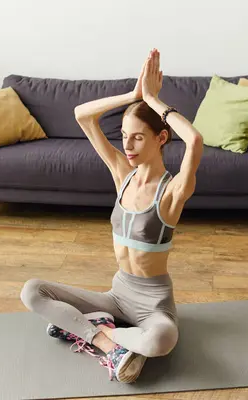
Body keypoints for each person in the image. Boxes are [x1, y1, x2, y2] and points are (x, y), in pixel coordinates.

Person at [20, 48, 204, 383]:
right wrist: (133, 95)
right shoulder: (123, 173)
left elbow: (194, 139)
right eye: (124, 137)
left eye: (138, 137)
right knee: (32, 291)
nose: (129, 146)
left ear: (161, 138)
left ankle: (90, 329)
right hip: (117, 296)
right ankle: (106, 340)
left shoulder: (173, 190)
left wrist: (153, 99)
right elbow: (81, 115)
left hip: (154, 306)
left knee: (162, 339)